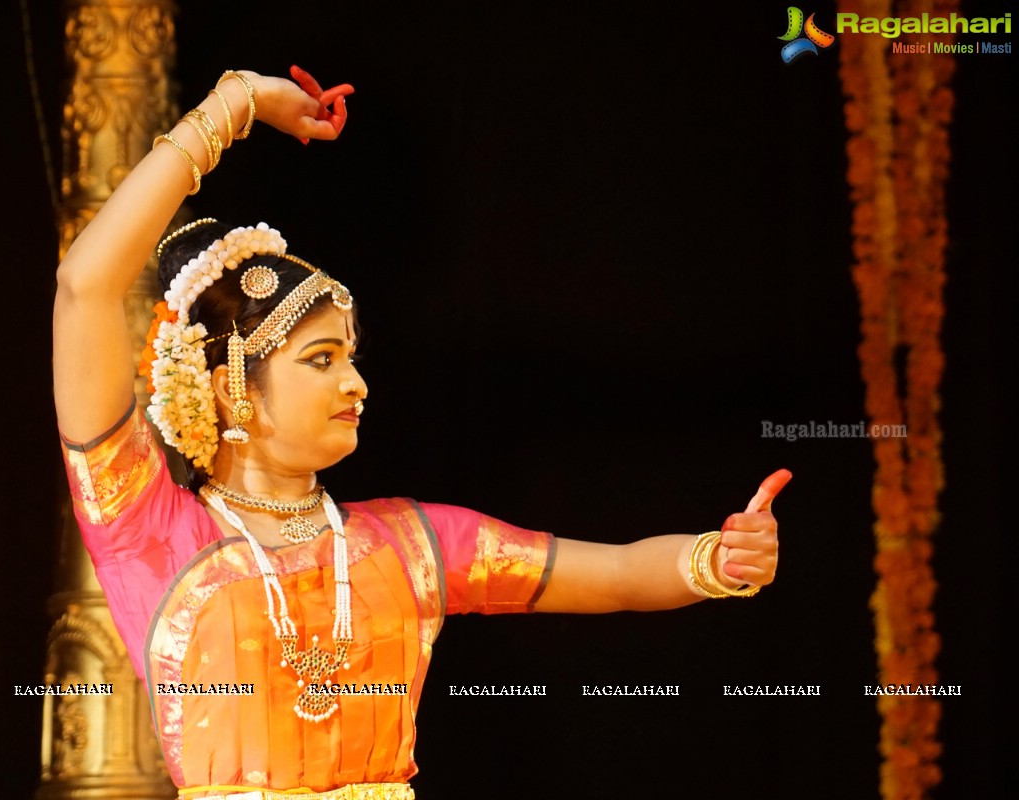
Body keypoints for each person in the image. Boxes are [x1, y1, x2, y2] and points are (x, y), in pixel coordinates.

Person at [52, 65, 787, 800]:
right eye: (321, 359)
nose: (356, 383)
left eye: (351, 357)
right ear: (228, 388)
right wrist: (233, 106)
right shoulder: (148, 530)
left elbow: (622, 577)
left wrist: (720, 560)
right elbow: (86, 287)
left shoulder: (411, 545)